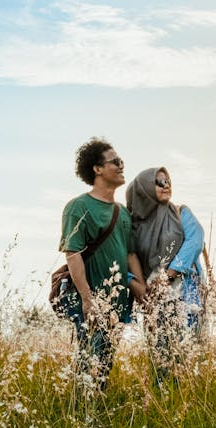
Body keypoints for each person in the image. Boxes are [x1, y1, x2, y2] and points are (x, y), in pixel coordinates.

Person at [59, 138, 145, 390]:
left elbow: (130, 255)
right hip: (92, 302)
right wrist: (87, 300)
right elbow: (72, 254)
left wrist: (140, 288)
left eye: (122, 162)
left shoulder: (123, 212)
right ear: (97, 168)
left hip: (118, 304)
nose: (121, 166)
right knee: (87, 367)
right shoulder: (78, 207)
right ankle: (81, 420)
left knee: (104, 369)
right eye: (115, 161)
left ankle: (95, 422)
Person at [125, 166, 205, 382]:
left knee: (188, 353)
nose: (166, 185)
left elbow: (195, 241)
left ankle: (190, 402)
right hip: (154, 298)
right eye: (158, 182)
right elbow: (126, 257)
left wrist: (169, 275)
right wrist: (137, 284)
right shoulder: (132, 224)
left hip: (185, 293)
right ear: (143, 190)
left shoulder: (181, 213)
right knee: (159, 354)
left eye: (167, 180)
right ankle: (163, 401)